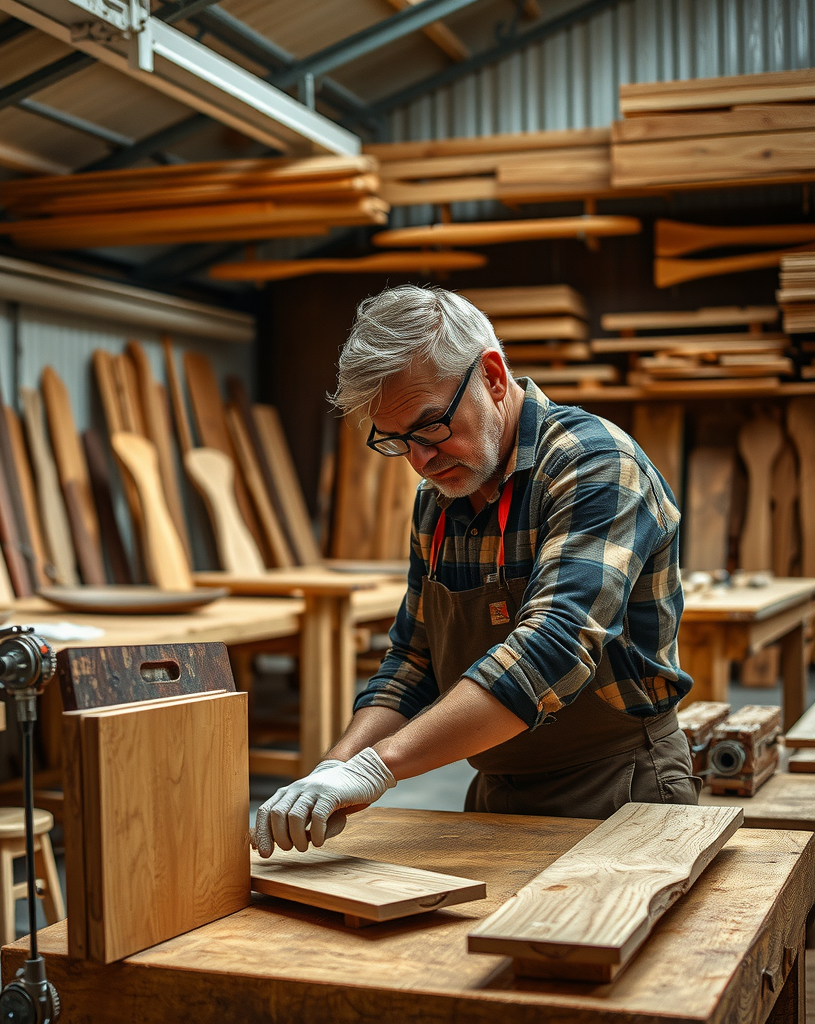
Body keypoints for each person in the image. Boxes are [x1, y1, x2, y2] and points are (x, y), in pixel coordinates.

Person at [253, 284, 700, 858]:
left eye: (430, 426)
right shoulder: (438, 501)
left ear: (491, 377)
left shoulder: (595, 467)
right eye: (396, 441)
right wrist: (331, 772)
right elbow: (414, 660)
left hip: (619, 790)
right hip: (496, 791)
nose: (420, 459)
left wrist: (378, 767)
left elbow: (553, 648)